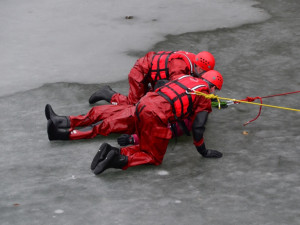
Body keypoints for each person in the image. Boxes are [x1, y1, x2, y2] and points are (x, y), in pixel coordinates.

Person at [90, 70, 224, 175]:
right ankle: (117, 160)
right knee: (154, 157)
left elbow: (162, 84)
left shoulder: (185, 77)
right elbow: (198, 127)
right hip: (156, 115)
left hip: (143, 104)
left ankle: (111, 151)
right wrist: (203, 151)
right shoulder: (204, 95)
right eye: (215, 90)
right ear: (212, 88)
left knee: (145, 146)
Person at [88, 51, 215, 106]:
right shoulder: (179, 68)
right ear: (199, 67)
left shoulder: (193, 60)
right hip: (140, 73)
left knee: (152, 99)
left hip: (152, 74)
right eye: (203, 72)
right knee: (135, 106)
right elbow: (179, 89)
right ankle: (107, 94)